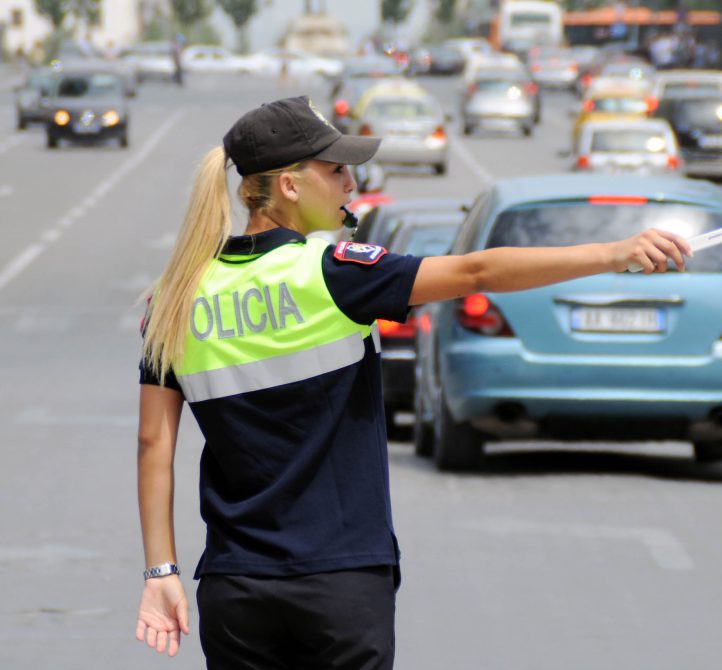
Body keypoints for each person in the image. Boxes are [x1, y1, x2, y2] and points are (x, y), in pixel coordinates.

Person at [133, 95, 691, 668]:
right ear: (290, 187)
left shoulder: (174, 299)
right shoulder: (331, 273)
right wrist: (611, 253)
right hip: (341, 582)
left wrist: (161, 572)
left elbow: (155, 445)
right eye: (337, 171)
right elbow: (476, 270)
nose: (351, 183)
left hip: (235, 587)